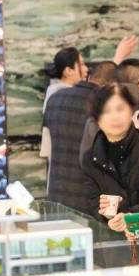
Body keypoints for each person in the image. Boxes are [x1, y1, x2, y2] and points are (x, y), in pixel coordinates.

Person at [81, 84, 139, 232]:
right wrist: (107, 216)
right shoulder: (90, 158)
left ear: (131, 110)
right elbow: (92, 202)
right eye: (106, 111)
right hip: (115, 238)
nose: (115, 116)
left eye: (120, 109)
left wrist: (130, 217)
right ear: (97, 119)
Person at [43, 60, 109, 212]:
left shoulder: (54, 98)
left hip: (56, 193)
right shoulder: (102, 104)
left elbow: (47, 150)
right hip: (90, 200)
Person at [40, 47, 90, 164]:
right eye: (82, 64)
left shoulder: (54, 92)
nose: (86, 69)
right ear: (68, 71)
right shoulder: (62, 95)